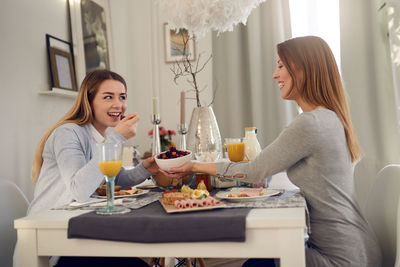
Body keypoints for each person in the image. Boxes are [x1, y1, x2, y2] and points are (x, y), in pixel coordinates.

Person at [164, 36, 382, 267]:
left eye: (280, 65)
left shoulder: (310, 123)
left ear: (303, 69)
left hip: (342, 259)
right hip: (358, 249)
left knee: (256, 262)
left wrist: (195, 165)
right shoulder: (330, 117)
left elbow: (255, 171)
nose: (274, 75)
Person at [28, 69, 159, 267]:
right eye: (108, 97)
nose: (119, 105)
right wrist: (116, 137)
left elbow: (117, 177)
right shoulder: (68, 133)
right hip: (54, 238)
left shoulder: (100, 137)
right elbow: (79, 190)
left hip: (81, 228)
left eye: (122, 97)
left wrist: (147, 168)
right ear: (88, 101)